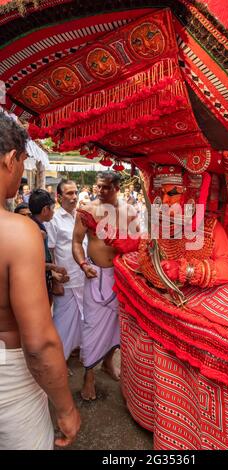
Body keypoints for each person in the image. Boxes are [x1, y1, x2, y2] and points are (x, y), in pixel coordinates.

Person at [0, 112, 80, 450]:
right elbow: (40, 345)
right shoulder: (17, 232)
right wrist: (66, 408)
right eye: (22, 162)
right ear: (10, 159)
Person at [72, 171, 137, 400]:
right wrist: (82, 264)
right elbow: (77, 242)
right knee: (92, 326)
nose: (100, 191)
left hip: (121, 277)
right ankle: (89, 375)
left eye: (106, 187)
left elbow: (138, 243)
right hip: (95, 275)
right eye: (98, 187)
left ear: (117, 188)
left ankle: (109, 362)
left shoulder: (130, 211)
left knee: (117, 327)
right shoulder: (88, 210)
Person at [46, 180, 86, 360]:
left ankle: (73, 351)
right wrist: (55, 279)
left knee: (81, 321)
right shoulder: (54, 219)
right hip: (66, 280)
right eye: (69, 193)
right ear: (59, 197)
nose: (74, 197)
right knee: (62, 323)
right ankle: (56, 360)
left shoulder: (81, 216)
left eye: (75, 192)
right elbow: (51, 251)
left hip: (84, 278)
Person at [29, 189, 69, 303]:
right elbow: (34, 263)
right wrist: (54, 267)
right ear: (45, 210)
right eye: (52, 208)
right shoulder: (37, 231)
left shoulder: (33, 225)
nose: (54, 212)